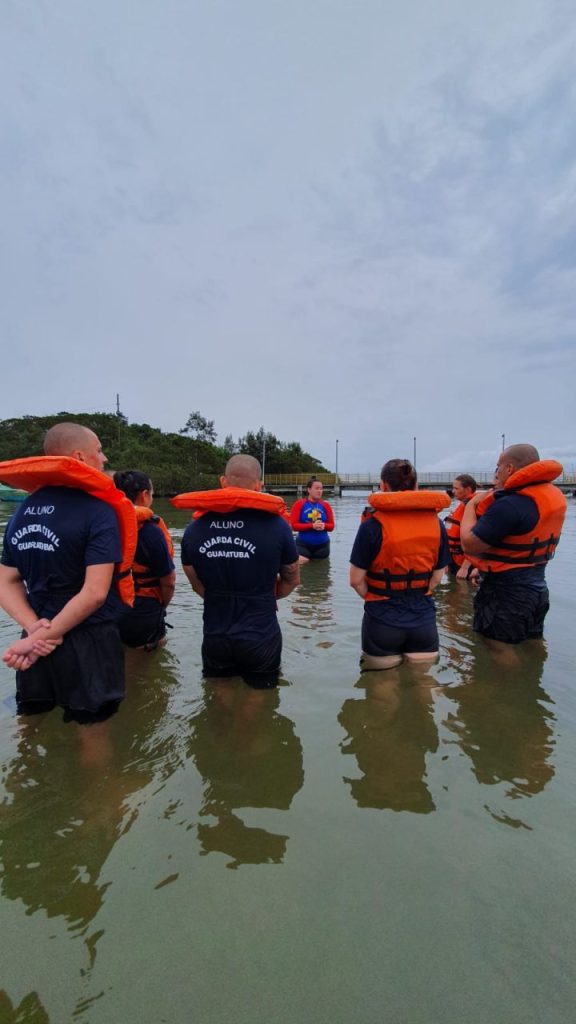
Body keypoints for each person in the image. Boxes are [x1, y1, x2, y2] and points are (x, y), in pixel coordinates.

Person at [0, 422, 136, 721]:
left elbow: (6, 580)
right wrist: (44, 636)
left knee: (31, 720)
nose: (104, 459)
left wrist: (34, 630)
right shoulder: (98, 511)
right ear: (79, 457)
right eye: (99, 451)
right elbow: (95, 593)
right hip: (88, 638)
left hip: (36, 629)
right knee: (93, 729)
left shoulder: (21, 512)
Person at [175, 454, 300, 688]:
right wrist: (265, 597)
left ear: (223, 481)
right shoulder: (277, 526)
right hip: (260, 633)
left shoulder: (194, 529)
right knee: (258, 704)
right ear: (259, 485)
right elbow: (292, 578)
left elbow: (195, 583)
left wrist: (219, 597)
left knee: (219, 698)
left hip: (215, 633)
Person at [460, 444, 566, 646]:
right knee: (533, 643)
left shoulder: (510, 503)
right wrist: (484, 570)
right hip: (537, 587)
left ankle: (503, 678)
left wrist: (470, 506)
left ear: (509, 468)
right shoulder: (551, 495)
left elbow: (469, 544)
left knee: (497, 647)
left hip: (506, 593)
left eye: (497, 467)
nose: (496, 472)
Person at [349, 458, 450, 669]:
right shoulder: (436, 524)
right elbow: (439, 575)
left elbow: (356, 580)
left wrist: (379, 596)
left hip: (381, 620)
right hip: (423, 619)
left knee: (382, 695)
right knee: (423, 694)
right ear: (416, 487)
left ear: (383, 486)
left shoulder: (372, 525)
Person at [113, 470, 176, 650]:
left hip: (110, 606)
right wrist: (162, 606)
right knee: (147, 664)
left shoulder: (104, 522)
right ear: (145, 494)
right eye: (152, 494)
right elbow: (168, 581)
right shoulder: (151, 532)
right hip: (143, 608)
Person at [290, 477, 335, 563]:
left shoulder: (326, 505)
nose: (319, 491)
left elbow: (332, 526)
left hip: (323, 547)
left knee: (320, 573)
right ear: (309, 490)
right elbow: (294, 526)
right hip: (303, 546)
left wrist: (324, 525)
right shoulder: (299, 504)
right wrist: (312, 526)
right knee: (304, 572)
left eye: (321, 488)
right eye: (317, 488)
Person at [444, 473, 477, 580]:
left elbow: (474, 540)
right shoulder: (461, 505)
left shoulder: (473, 508)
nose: (453, 491)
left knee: (464, 593)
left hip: (466, 564)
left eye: (456, 488)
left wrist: (465, 567)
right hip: (454, 560)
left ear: (467, 489)